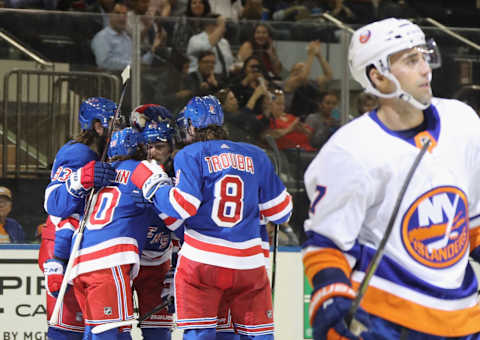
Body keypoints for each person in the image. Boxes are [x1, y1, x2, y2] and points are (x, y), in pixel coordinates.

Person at [302, 17, 480, 340]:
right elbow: (327, 245)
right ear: (378, 77)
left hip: (463, 320)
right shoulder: (348, 151)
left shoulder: (463, 122)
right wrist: (332, 302)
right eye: (411, 60)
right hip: (387, 320)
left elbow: (472, 223)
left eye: (424, 56)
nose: (426, 69)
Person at [130, 95, 293, 339]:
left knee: (201, 334)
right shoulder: (256, 155)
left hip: (203, 263)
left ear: (192, 126)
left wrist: (155, 186)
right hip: (249, 264)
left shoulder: (190, 154)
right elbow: (281, 213)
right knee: (256, 335)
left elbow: (182, 206)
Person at [41, 97, 117, 339]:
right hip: (62, 245)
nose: (117, 127)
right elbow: (54, 203)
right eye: (112, 122)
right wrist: (81, 178)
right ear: (97, 125)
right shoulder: (78, 152)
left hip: (83, 246)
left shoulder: (103, 153)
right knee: (66, 329)